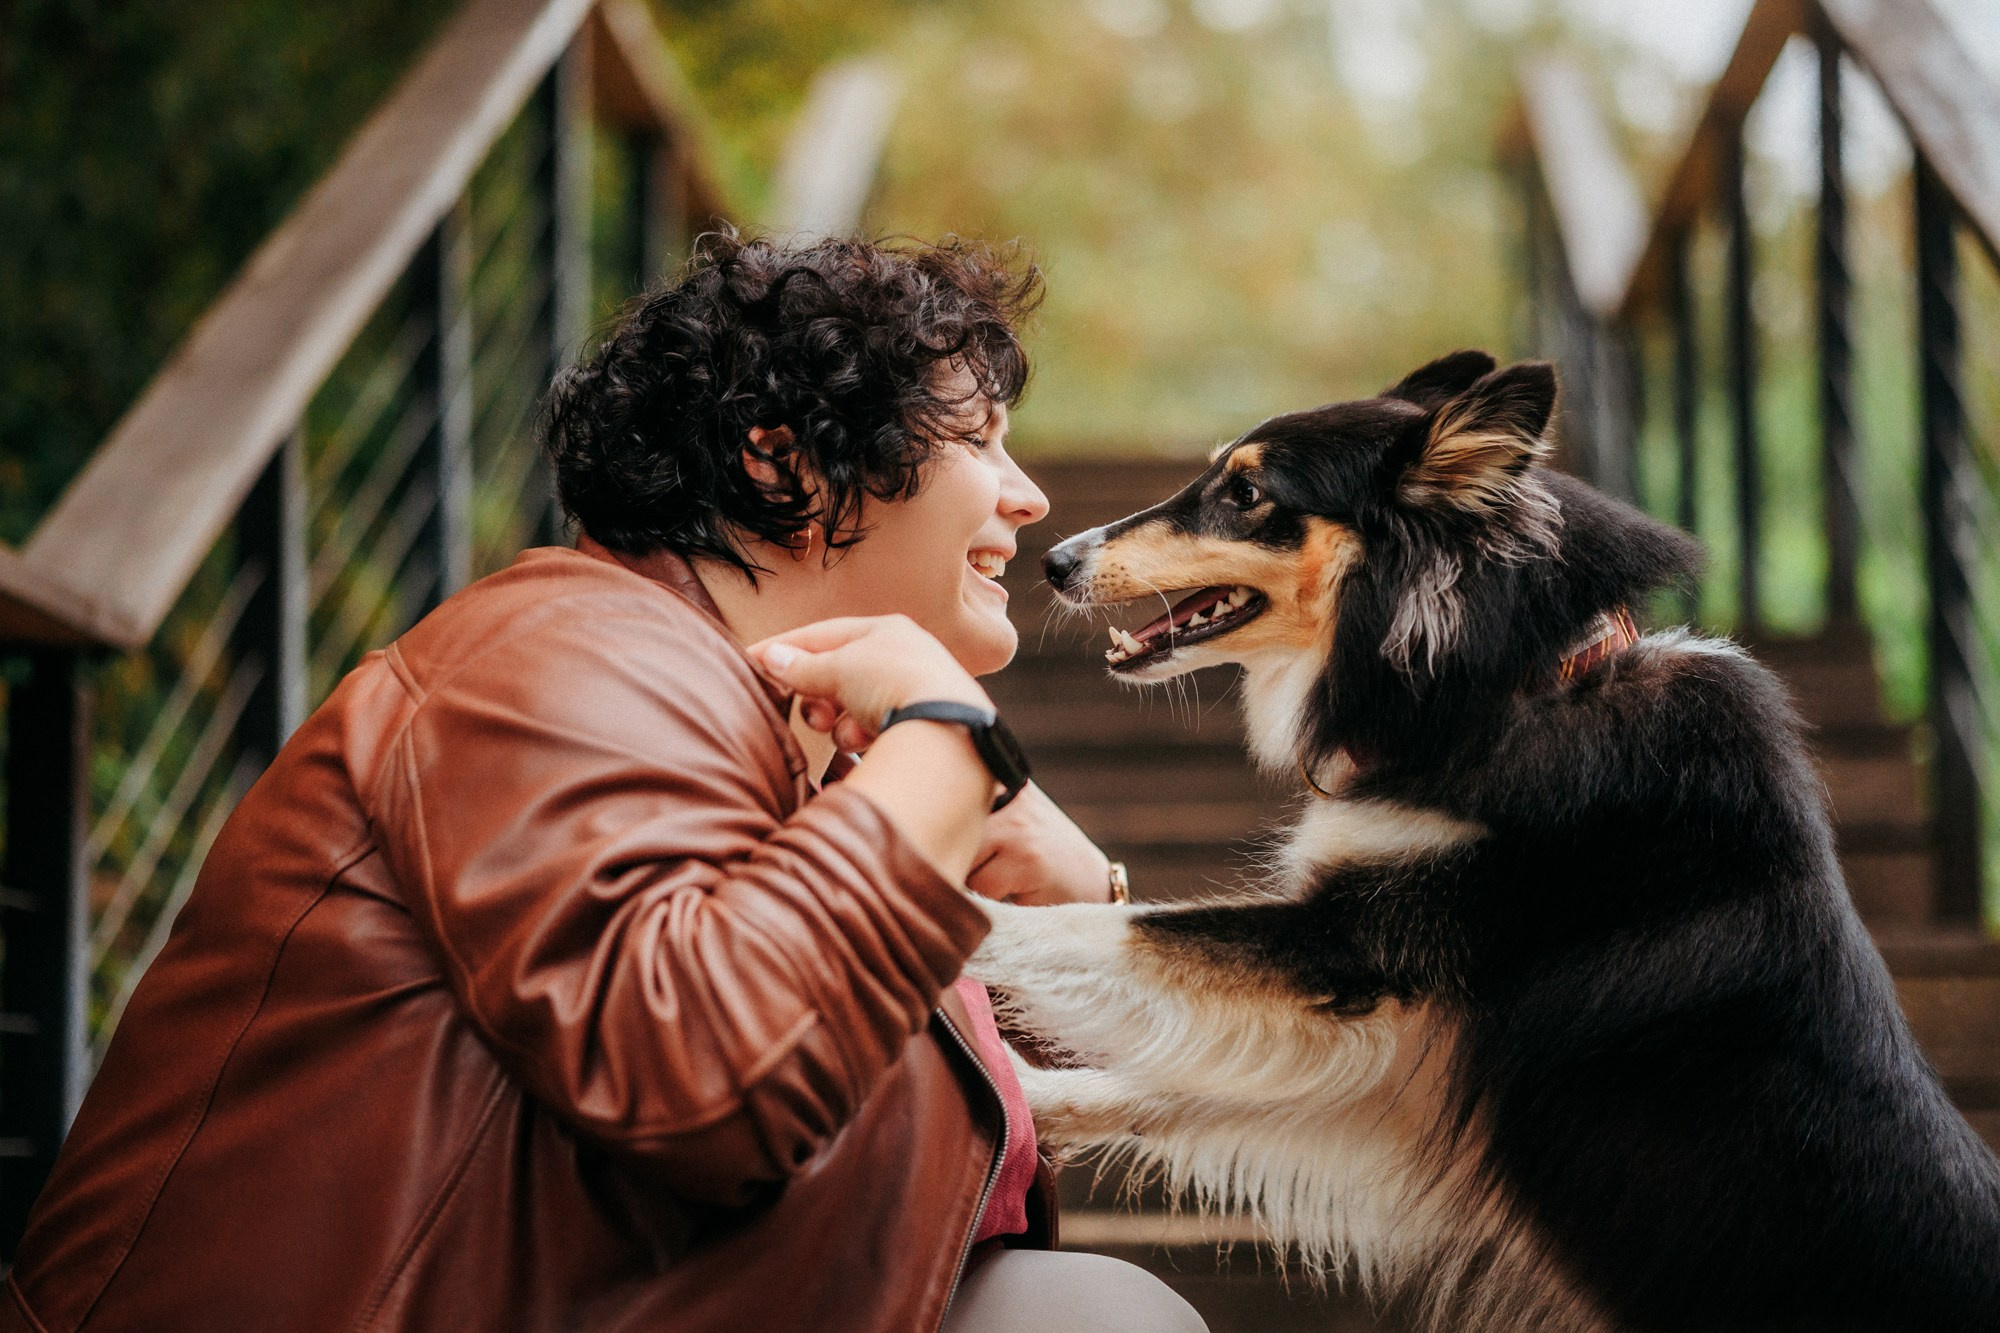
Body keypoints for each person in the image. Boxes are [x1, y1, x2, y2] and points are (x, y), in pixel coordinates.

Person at [1, 234, 1206, 1333]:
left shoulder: (820, 758)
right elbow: (708, 1079)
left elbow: (1099, 1087)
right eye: (977, 437)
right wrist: (951, 744)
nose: (1029, 494)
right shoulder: (560, 654)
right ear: (781, 458)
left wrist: (1071, 890)